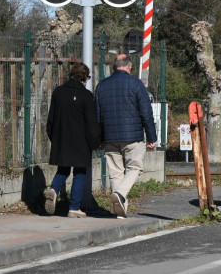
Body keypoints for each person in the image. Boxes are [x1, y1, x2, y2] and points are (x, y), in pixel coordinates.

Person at [95, 54, 157, 218]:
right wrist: (151, 137)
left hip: (109, 137)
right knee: (134, 168)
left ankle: (120, 211)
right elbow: (146, 113)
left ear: (115, 67)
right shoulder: (136, 84)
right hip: (133, 137)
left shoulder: (102, 85)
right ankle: (121, 194)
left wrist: (100, 138)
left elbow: (98, 115)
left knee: (115, 173)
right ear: (129, 67)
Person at [44, 62, 101, 218]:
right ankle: (74, 207)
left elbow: (51, 119)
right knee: (80, 172)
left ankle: (54, 190)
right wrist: (95, 142)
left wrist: (54, 137)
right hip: (81, 141)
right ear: (84, 77)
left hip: (61, 138)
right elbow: (91, 123)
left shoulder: (58, 92)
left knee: (63, 169)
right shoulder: (87, 96)